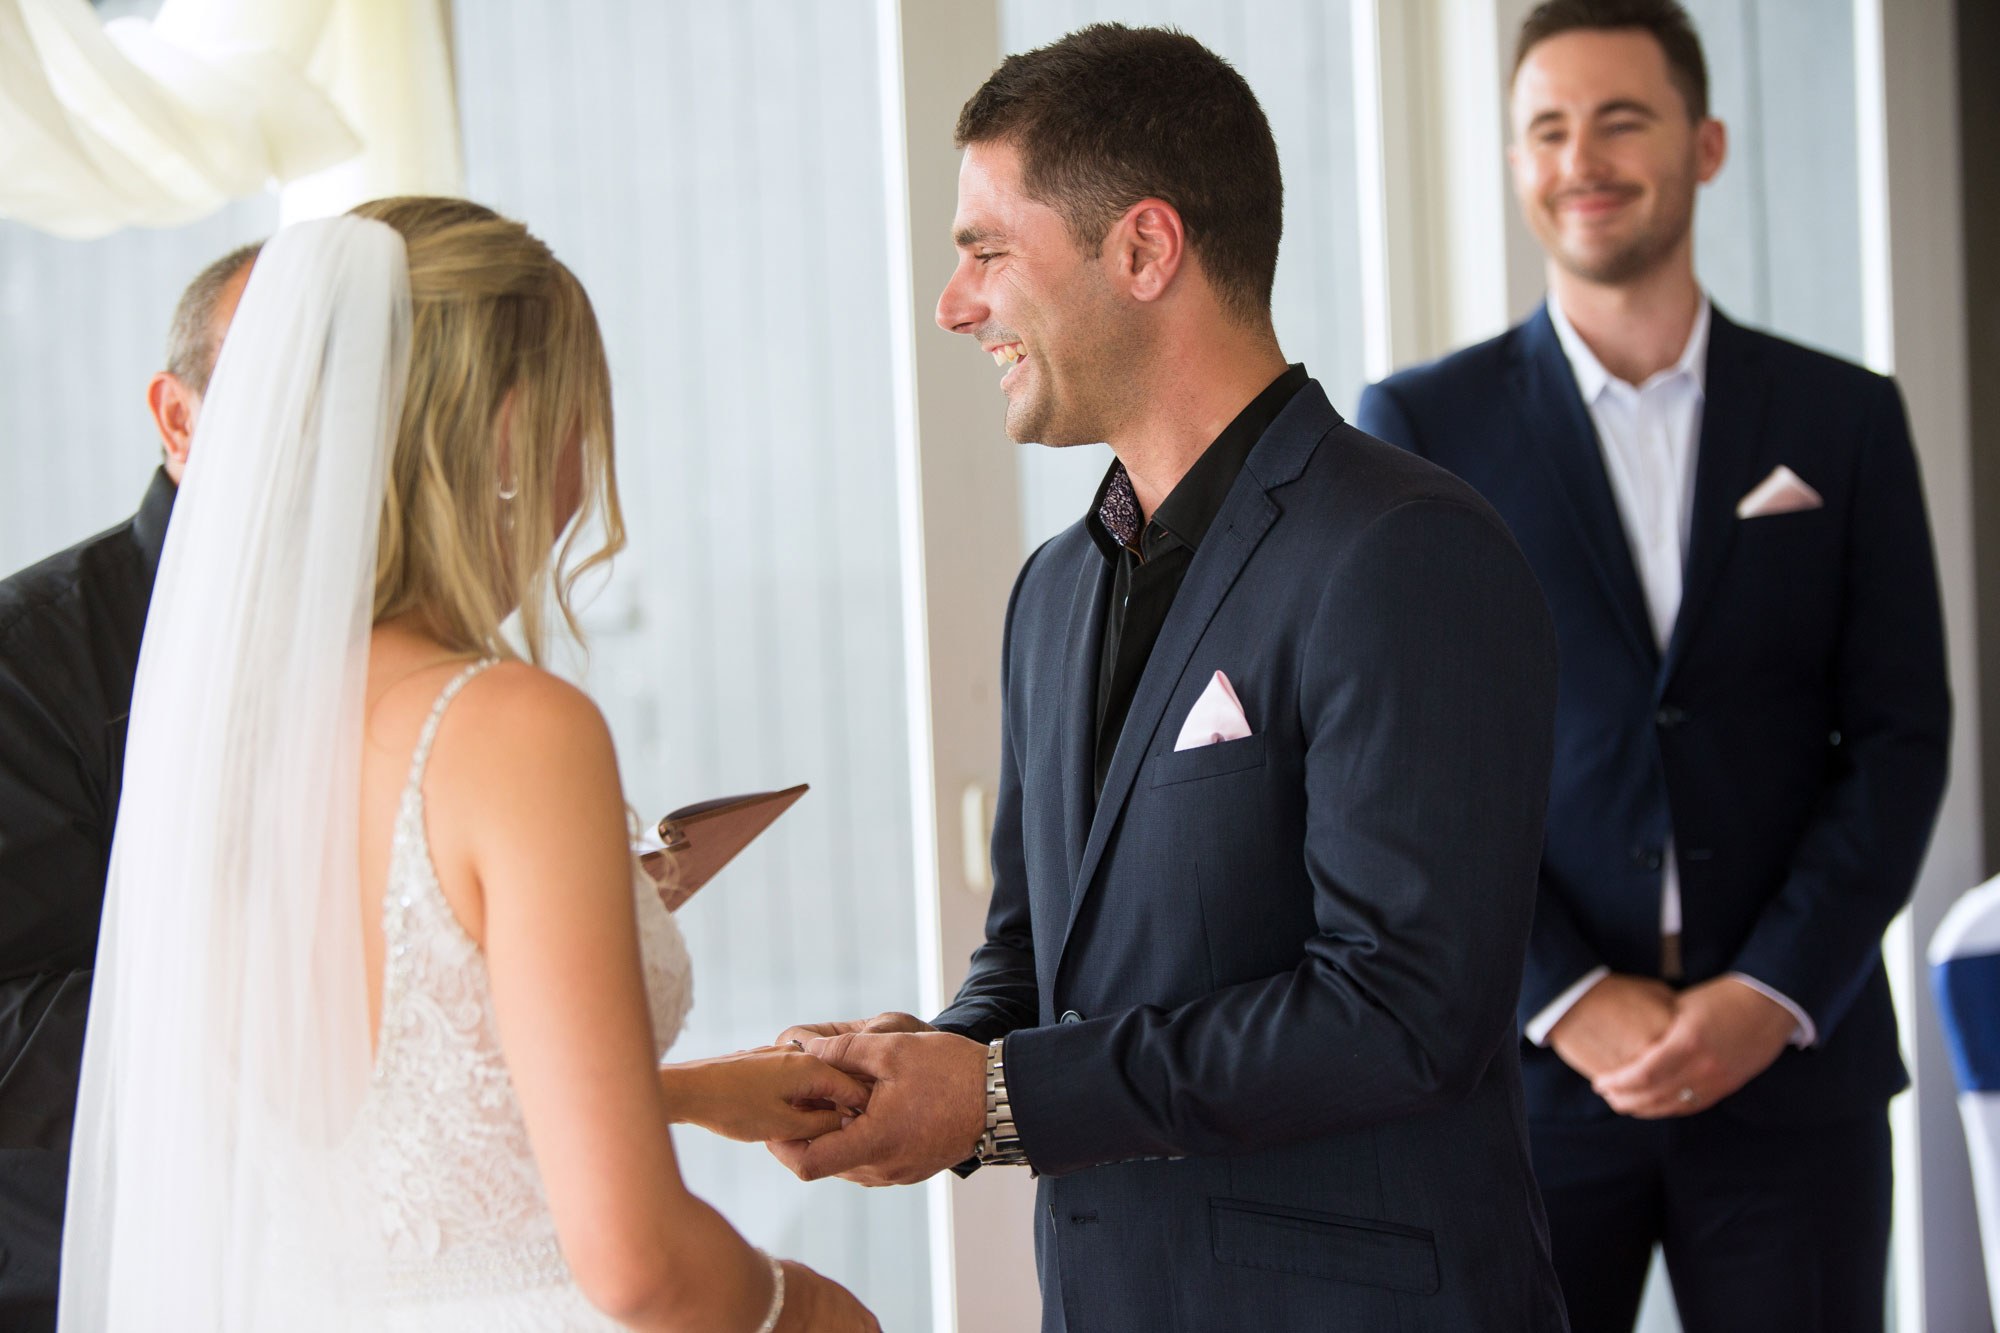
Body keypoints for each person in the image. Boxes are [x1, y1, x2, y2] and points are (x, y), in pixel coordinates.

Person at [772, 25, 1568, 1331]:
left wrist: (996, 1097)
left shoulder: (1403, 552)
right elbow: (1037, 962)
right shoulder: (1053, 590)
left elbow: (1400, 1011)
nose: (953, 304)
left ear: (1144, 249)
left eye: (985, 250)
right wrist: (913, 1063)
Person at [58, 199, 879, 1332]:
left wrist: (691, 1095)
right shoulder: (508, 728)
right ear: (503, 433)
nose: (580, 476)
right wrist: (815, 1312)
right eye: (574, 421)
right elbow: (637, 1264)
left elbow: (380, 1128)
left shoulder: (211, 739)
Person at [1353, 2, 1951, 1329]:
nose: (1584, 158)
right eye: (1548, 130)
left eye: (1623, 120)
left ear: (1708, 143)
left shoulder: (1843, 418)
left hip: (1796, 1074)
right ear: (1516, 163)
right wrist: (1560, 996)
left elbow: (1903, 733)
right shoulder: (1417, 428)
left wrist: (1774, 990)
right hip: (1522, 1084)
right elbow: (1395, 773)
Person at [0, 240, 254, 1329]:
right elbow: (15, 1024)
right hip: (82, 1272)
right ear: (179, 419)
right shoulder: (25, 661)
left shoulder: (396, 638)